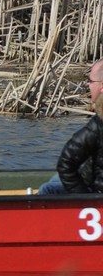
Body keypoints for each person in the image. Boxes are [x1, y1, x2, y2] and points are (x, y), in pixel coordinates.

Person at [39, 59, 103, 195]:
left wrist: (84, 198)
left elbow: (65, 164)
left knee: (48, 189)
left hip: (96, 191)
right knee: (54, 180)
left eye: (90, 81)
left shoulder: (98, 125)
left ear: (102, 87)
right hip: (90, 179)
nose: (87, 84)